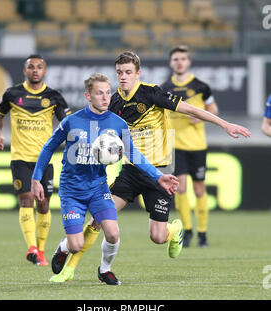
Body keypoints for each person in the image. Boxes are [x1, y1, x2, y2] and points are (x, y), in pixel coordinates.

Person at [50, 51, 251, 283]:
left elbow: (191, 110)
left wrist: (224, 124)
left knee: (157, 237)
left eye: (128, 72)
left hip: (161, 172)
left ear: (138, 73)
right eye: (119, 73)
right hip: (131, 171)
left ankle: (174, 230)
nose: (123, 77)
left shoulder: (152, 93)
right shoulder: (113, 102)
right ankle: (71, 269)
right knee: (98, 217)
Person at [31, 73, 180, 285]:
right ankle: (64, 247)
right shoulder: (71, 122)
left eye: (108, 92)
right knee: (75, 245)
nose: (105, 97)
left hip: (98, 188)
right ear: (88, 96)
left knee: (112, 233)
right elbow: (48, 148)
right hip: (72, 190)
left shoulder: (117, 123)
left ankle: (105, 270)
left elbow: (134, 154)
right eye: (99, 93)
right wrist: (36, 179)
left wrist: (159, 177)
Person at [0, 54, 71, 266]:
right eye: (31, 67)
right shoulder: (12, 94)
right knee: (26, 199)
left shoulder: (54, 97)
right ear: (24, 71)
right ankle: (32, 248)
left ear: (44, 71)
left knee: (44, 204)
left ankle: (41, 249)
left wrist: (71, 142)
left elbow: (68, 123)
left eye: (39, 67)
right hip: (20, 158)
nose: (35, 70)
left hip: (44, 160)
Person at [161, 45, 219, 248]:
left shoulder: (201, 87)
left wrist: (202, 117)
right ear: (171, 63)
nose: (179, 62)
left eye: (183, 59)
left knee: (200, 188)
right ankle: (187, 230)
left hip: (197, 145)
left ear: (188, 62)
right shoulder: (164, 88)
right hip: (176, 147)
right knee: (181, 187)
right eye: (176, 58)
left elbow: (214, 109)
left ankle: (202, 232)